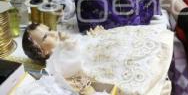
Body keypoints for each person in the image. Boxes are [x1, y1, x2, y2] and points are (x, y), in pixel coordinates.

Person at [22, 23, 173, 95]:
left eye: (49, 29)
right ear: (42, 51)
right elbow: (81, 79)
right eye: (45, 36)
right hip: (99, 65)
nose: (53, 32)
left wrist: (95, 38)